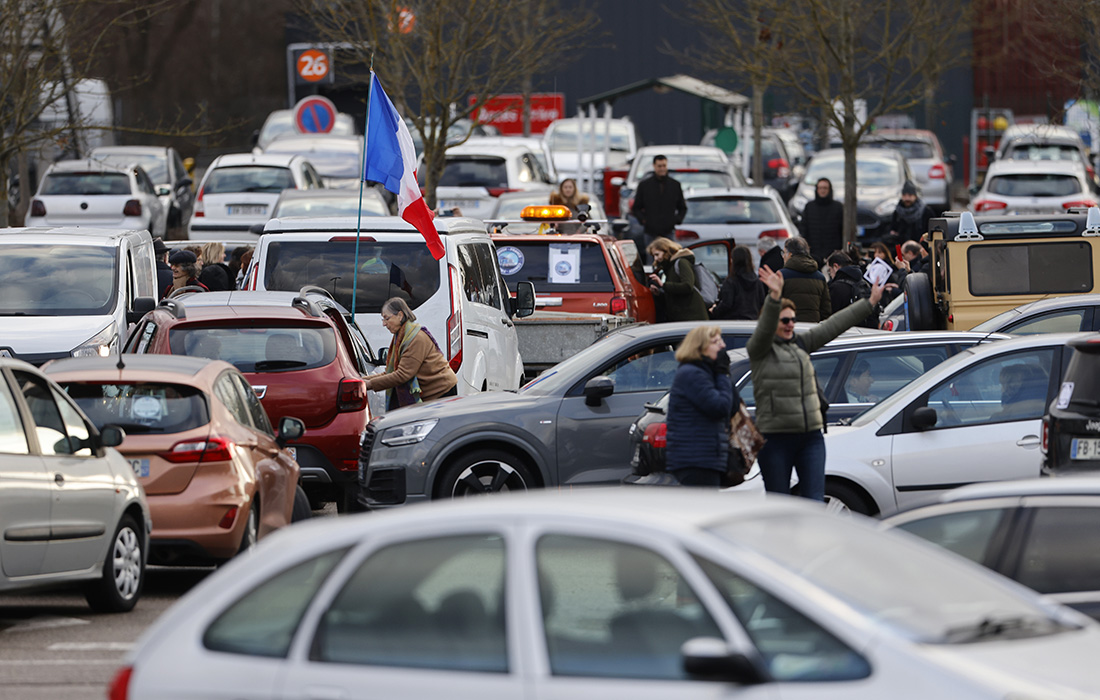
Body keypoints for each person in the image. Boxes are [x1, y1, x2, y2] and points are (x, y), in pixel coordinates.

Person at [747, 264, 884, 501]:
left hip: (810, 436)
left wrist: (868, 303)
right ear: (771, 322)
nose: (791, 324)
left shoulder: (800, 343)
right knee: (779, 502)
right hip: (776, 438)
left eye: (793, 319)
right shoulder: (761, 349)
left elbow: (832, 326)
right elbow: (763, 330)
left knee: (814, 501)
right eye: (784, 320)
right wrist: (775, 297)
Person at [665, 325, 740, 487]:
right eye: (716, 342)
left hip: (708, 457)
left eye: (721, 341)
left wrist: (723, 372)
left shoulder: (707, 372)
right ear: (700, 348)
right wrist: (721, 373)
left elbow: (732, 406)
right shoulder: (692, 373)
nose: (723, 346)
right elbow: (719, 407)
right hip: (696, 459)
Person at [364, 297, 458, 410]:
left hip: (441, 391)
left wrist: (369, 385)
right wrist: (363, 380)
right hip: (432, 395)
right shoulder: (401, 337)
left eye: (386, 318)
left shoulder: (415, 338)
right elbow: (391, 372)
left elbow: (403, 374)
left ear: (400, 315)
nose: (384, 324)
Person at [631, 155, 686, 260]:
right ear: (654, 166)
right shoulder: (645, 185)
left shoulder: (675, 185)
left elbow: (682, 207)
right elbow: (636, 208)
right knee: (652, 260)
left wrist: (676, 220)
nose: (662, 169)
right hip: (651, 231)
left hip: (668, 231)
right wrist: (644, 220)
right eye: (659, 166)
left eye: (664, 166)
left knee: (671, 259)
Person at [646, 237, 709, 322]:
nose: (655, 259)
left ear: (667, 251)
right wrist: (659, 293)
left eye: (657, 254)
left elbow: (687, 286)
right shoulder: (668, 268)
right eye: (653, 256)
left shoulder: (681, 262)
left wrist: (663, 285)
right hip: (681, 317)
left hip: (692, 316)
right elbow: (674, 295)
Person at [779, 237, 830, 322]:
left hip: (788, 325)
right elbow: (826, 309)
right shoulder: (820, 277)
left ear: (790, 254)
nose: (783, 256)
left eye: (784, 253)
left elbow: (773, 304)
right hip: (813, 328)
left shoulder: (781, 275)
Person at [710, 245, 765, 320]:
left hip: (732, 323)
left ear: (733, 261)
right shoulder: (757, 282)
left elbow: (726, 304)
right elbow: (762, 302)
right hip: (752, 321)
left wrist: (714, 310)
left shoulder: (730, 282)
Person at [798, 178, 844, 261]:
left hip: (832, 253)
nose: (823, 191)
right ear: (817, 190)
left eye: (825, 188)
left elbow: (842, 229)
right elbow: (804, 228)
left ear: (829, 190)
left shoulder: (838, 207)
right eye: (820, 188)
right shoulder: (809, 207)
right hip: (813, 253)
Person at [887, 180, 934, 247]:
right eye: (904, 195)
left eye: (910, 195)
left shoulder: (926, 211)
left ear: (915, 196)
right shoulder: (898, 212)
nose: (907, 198)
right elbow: (893, 229)